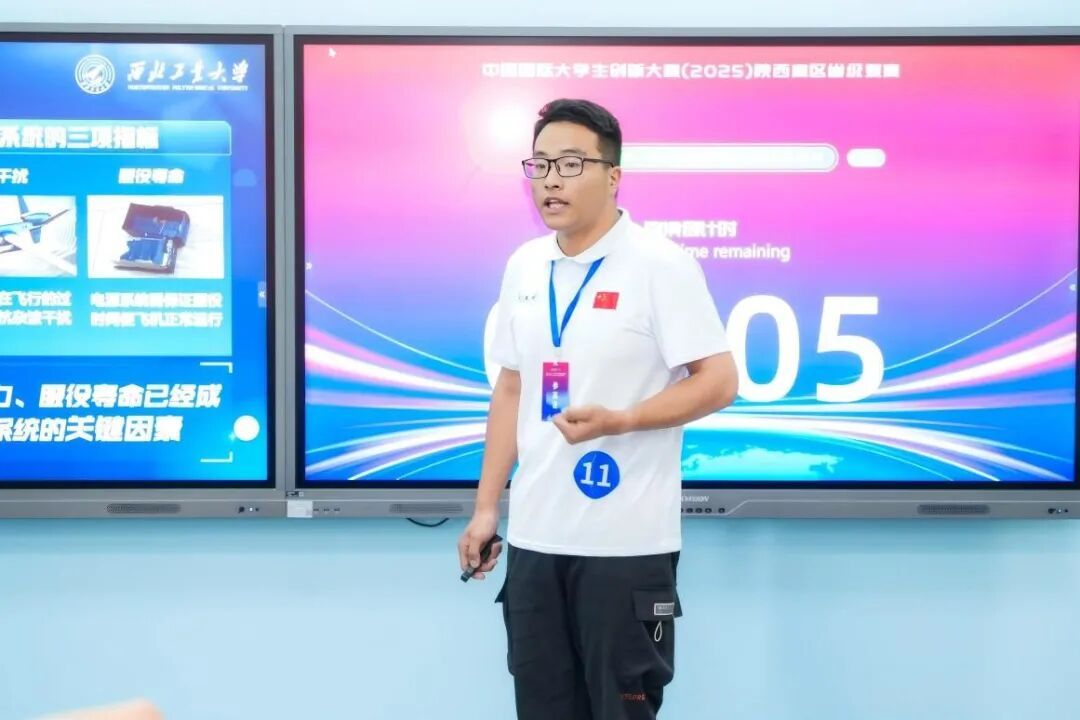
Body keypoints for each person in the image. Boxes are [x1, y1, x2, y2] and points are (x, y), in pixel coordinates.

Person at [457, 98, 738, 720]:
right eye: (540, 164)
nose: (550, 180)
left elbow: (720, 382)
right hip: (535, 542)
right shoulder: (524, 266)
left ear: (613, 176)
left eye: (570, 164)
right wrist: (485, 509)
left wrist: (623, 419)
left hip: (627, 547)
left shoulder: (661, 265)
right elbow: (511, 389)